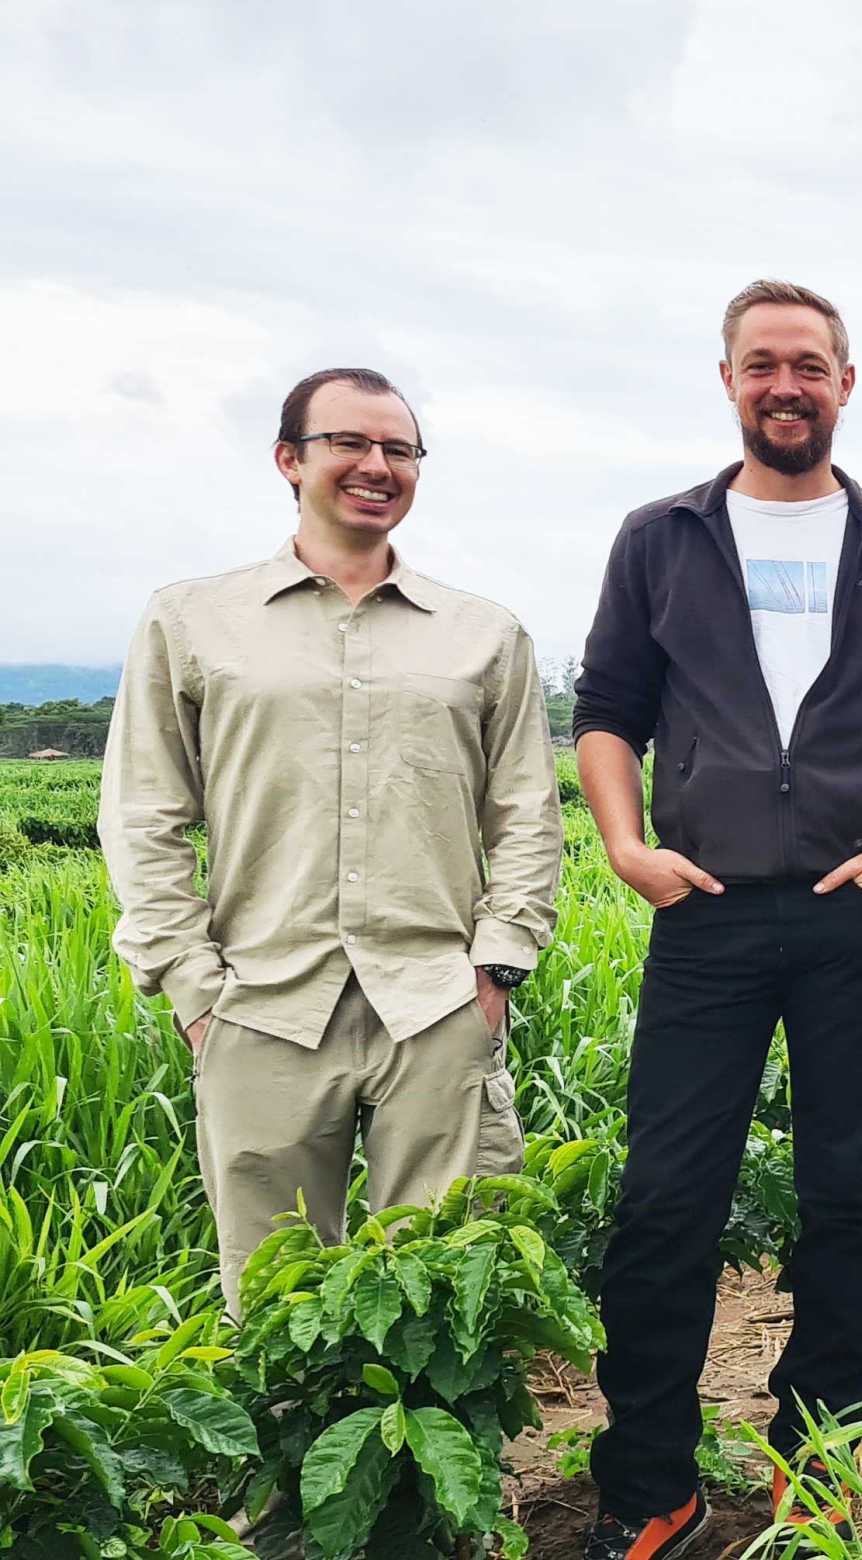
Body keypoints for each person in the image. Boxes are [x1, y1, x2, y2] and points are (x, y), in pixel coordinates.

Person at [571, 280, 862, 1560]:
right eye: (762, 364)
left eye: (809, 364)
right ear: (728, 380)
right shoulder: (661, 538)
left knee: (848, 1196)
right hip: (701, 916)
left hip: (852, 919)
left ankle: (817, 1463)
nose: (786, 385)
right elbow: (606, 707)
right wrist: (623, 843)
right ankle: (651, 1483)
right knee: (666, 1199)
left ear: (845, 383)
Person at [100, 367, 561, 1316]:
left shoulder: (484, 634)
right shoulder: (193, 620)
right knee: (275, 1303)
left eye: (399, 449)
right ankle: (288, 1472)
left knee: (441, 1292)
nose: (375, 466)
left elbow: (525, 815)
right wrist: (193, 988)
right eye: (348, 443)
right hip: (259, 1003)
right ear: (289, 460)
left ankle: (424, 1470)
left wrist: (496, 970)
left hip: (434, 1004)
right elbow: (144, 813)